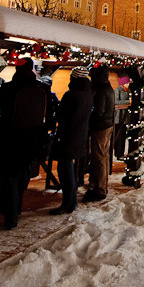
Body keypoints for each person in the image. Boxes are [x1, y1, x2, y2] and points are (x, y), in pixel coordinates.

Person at [0, 58, 50, 228]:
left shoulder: (8, 89)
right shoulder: (42, 89)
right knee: (20, 177)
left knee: (8, 178)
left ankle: (10, 215)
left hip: (9, 140)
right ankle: (14, 210)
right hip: (32, 142)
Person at [49, 67, 93, 214]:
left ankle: (68, 203)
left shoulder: (71, 95)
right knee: (70, 170)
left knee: (65, 170)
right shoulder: (88, 93)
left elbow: (62, 115)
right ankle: (71, 201)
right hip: (80, 136)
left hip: (68, 137)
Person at [84, 65, 115, 203]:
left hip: (100, 126)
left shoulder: (101, 90)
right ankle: (101, 185)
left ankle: (100, 188)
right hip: (107, 125)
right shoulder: (109, 88)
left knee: (99, 157)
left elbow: (99, 111)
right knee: (103, 156)